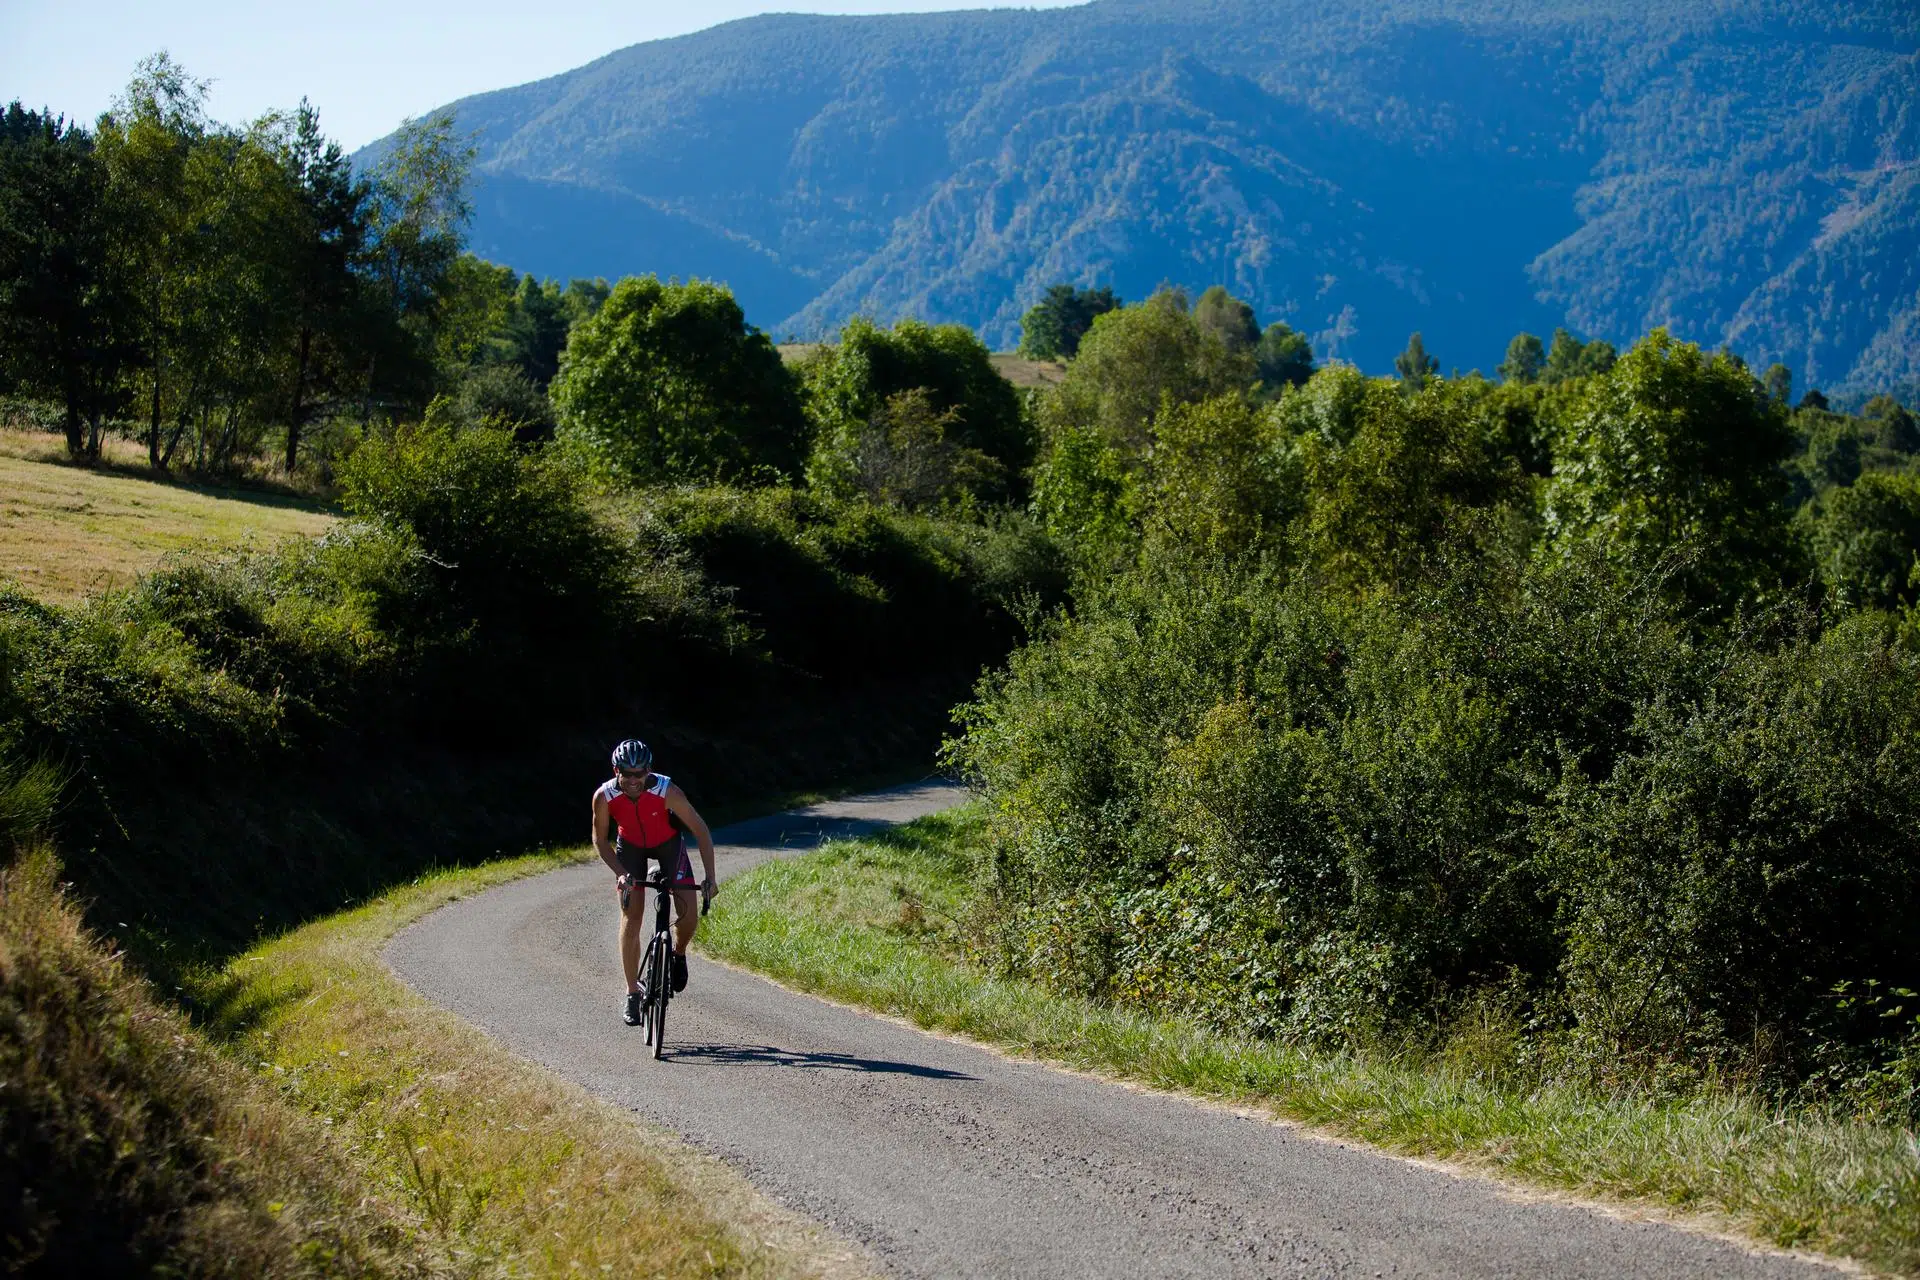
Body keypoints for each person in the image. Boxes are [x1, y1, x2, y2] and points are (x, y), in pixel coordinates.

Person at [591, 739, 718, 1026]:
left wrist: (710, 877)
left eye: (641, 773)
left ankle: (679, 953)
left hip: (668, 845)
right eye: (628, 773)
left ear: (649, 769)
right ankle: (632, 992)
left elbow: (700, 830)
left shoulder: (667, 791)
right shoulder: (604, 796)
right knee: (631, 917)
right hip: (630, 848)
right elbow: (600, 838)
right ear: (616, 770)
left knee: (688, 913)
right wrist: (620, 873)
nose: (635, 780)